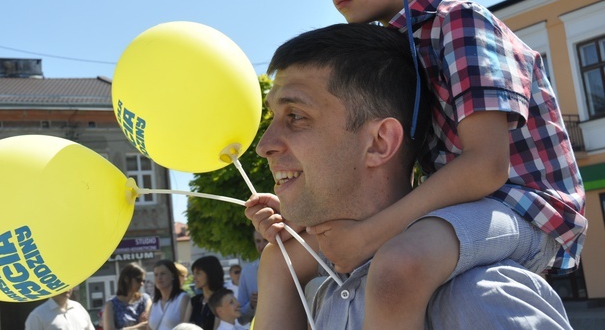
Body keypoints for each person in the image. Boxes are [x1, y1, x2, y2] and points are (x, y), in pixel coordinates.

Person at [291, 0, 587, 329]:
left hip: (524, 207)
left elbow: (486, 166)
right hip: (465, 209)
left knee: (398, 266)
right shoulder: (395, 49)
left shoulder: (460, 23)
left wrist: (371, 233)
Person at [246, 22, 574, 329]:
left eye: (296, 116)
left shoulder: (480, 299)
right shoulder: (315, 296)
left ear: (380, 142)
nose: (264, 146)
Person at [101, 263, 151, 330]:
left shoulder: (145, 300)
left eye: (143, 281)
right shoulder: (111, 305)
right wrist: (137, 328)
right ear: (126, 279)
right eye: (138, 280)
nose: (141, 284)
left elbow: (148, 323)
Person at [235, 231, 267, 324]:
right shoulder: (247, 272)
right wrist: (251, 305)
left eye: (265, 240)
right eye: (258, 241)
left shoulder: (290, 267)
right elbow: (241, 318)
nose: (261, 246)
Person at [149, 260, 190, 330]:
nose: (159, 278)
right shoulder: (154, 303)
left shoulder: (183, 298)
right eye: (156, 274)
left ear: (173, 276)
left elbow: (185, 326)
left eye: (163, 274)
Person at [24, 289, 94, 330]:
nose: (67, 287)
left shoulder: (78, 308)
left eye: (69, 283)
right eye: (63, 284)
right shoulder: (38, 315)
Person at [186, 256, 224, 330]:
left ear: (210, 273)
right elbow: (183, 327)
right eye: (194, 273)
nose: (194, 277)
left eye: (198, 273)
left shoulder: (222, 299)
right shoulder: (194, 301)